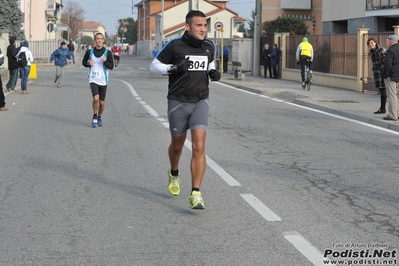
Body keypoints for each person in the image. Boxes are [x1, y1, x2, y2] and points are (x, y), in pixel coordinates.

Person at [149, 10, 221, 209]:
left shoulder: (209, 46)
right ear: (188, 26)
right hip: (178, 101)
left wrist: (214, 71)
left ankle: (196, 193)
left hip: (200, 100)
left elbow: (210, 63)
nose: (203, 29)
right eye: (199, 25)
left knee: (199, 146)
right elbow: (154, 66)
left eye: (205, 25)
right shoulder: (174, 46)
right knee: (178, 146)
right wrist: (173, 69)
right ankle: (174, 173)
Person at [82, 32, 114, 127]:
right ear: (95, 41)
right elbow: (84, 62)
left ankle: (99, 116)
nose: (99, 40)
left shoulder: (107, 53)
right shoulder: (90, 52)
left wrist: (105, 62)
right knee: (95, 98)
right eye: (97, 39)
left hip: (103, 80)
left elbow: (111, 66)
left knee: (102, 102)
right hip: (93, 78)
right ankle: (95, 115)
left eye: (101, 38)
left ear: (103, 40)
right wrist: (88, 64)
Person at [367, 37, 387, 114]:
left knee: (383, 90)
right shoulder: (371, 51)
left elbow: (385, 61)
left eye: (372, 43)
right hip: (376, 72)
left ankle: (383, 108)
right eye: (369, 43)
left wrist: (382, 71)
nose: (370, 44)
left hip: (381, 72)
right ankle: (382, 108)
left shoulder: (380, 50)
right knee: (381, 90)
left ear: (375, 43)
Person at [382, 35, 399, 121]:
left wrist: (385, 74)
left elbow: (387, 65)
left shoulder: (390, 51)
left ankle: (393, 115)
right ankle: (397, 113)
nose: (387, 42)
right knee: (397, 96)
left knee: (392, 96)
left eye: (387, 41)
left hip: (392, 76)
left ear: (391, 41)